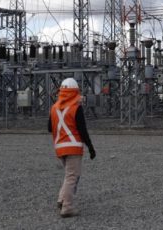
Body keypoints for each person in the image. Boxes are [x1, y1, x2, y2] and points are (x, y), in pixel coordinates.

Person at [48, 77, 96, 218]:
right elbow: (82, 130)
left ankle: (61, 199)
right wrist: (91, 147)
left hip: (60, 148)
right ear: (75, 92)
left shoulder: (54, 108)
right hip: (73, 147)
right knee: (72, 177)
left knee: (69, 175)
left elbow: (49, 128)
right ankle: (67, 207)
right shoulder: (76, 107)